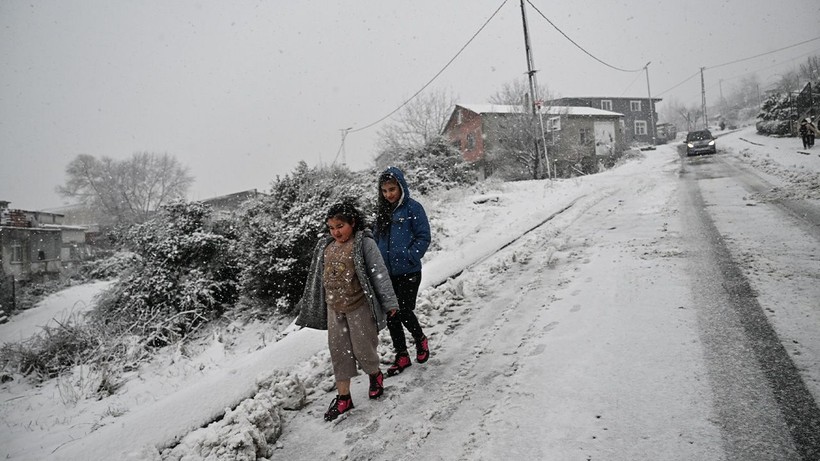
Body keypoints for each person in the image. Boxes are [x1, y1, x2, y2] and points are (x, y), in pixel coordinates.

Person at [295, 201, 399, 421]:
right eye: (331, 227)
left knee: (364, 348)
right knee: (339, 352)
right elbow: (317, 278)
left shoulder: (363, 244)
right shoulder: (326, 246)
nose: (335, 232)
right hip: (335, 308)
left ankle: (375, 375)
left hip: (359, 306)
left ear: (353, 222)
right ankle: (344, 397)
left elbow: (379, 273)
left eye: (340, 226)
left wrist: (389, 302)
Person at [374, 167, 432, 376]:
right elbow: (375, 240)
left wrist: (410, 256)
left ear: (401, 187)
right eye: (384, 191)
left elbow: (423, 237)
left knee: (404, 310)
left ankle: (420, 339)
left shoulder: (413, 209)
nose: (388, 194)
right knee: (392, 314)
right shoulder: (381, 213)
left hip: (409, 271)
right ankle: (402, 355)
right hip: (387, 273)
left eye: (392, 189)